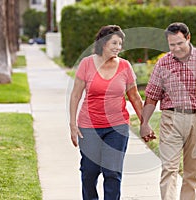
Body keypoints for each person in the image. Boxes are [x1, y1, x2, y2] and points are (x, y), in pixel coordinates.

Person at [140, 22, 196, 200]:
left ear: (188, 38)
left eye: (180, 43)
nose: (176, 48)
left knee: (192, 172)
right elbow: (152, 96)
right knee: (169, 168)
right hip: (171, 118)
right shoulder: (163, 63)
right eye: (172, 45)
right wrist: (144, 123)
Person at [69, 25, 147, 200]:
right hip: (89, 127)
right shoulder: (87, 64)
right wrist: (73, 125)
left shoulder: (125, 66)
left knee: (112, 172)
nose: (118, 47)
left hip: (117, 128)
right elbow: (75, 95)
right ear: (103, 43)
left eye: (120, 43)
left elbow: (134, 97)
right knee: (89, 172)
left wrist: (145, 124)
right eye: (114, 43)